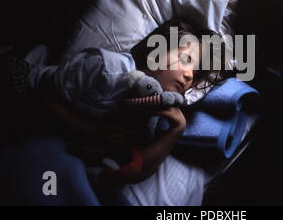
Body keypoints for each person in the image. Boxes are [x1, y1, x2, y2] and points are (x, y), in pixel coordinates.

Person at [17, 18, 224, 184]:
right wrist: (96, 131)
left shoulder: (151, 107)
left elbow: (136, 170)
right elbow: (44, 95)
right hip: (22, 88)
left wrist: (177, 128)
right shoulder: (107, 68)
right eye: (186, 60)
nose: (189, 77)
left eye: (195, 75)